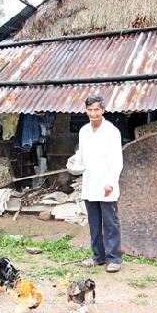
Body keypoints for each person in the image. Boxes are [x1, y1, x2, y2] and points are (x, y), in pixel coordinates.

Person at [68, 95, 124, 273]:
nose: (93, 113)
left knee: (110, 223)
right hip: (90, 184)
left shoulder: (111, 131)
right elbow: (82, 153)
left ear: (103, 110)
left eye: (97, 110)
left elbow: (117, 161)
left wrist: (110, 183)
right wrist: (75, 158)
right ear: (86, 110)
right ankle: (98, 256)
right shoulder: (84, 131)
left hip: (106, 185)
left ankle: (114, 258)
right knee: (93, 222)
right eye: (90, 110)